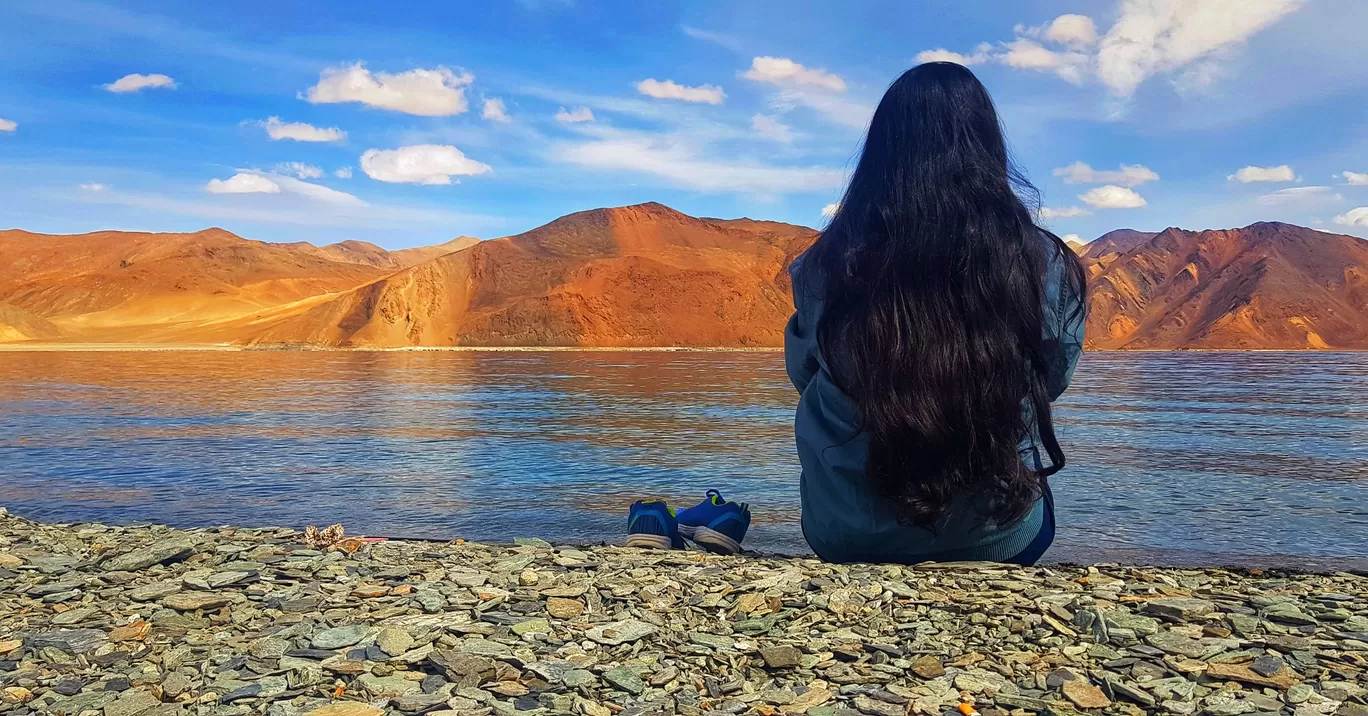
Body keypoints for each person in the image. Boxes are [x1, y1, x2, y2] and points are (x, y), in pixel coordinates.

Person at [785, 62, 1087, 565]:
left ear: (881, 155)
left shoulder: (824, 265)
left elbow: (807, 376)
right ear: (987, 146)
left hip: (845, 536)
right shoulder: (1043, 262)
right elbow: (1049, 378)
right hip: (999, 538)